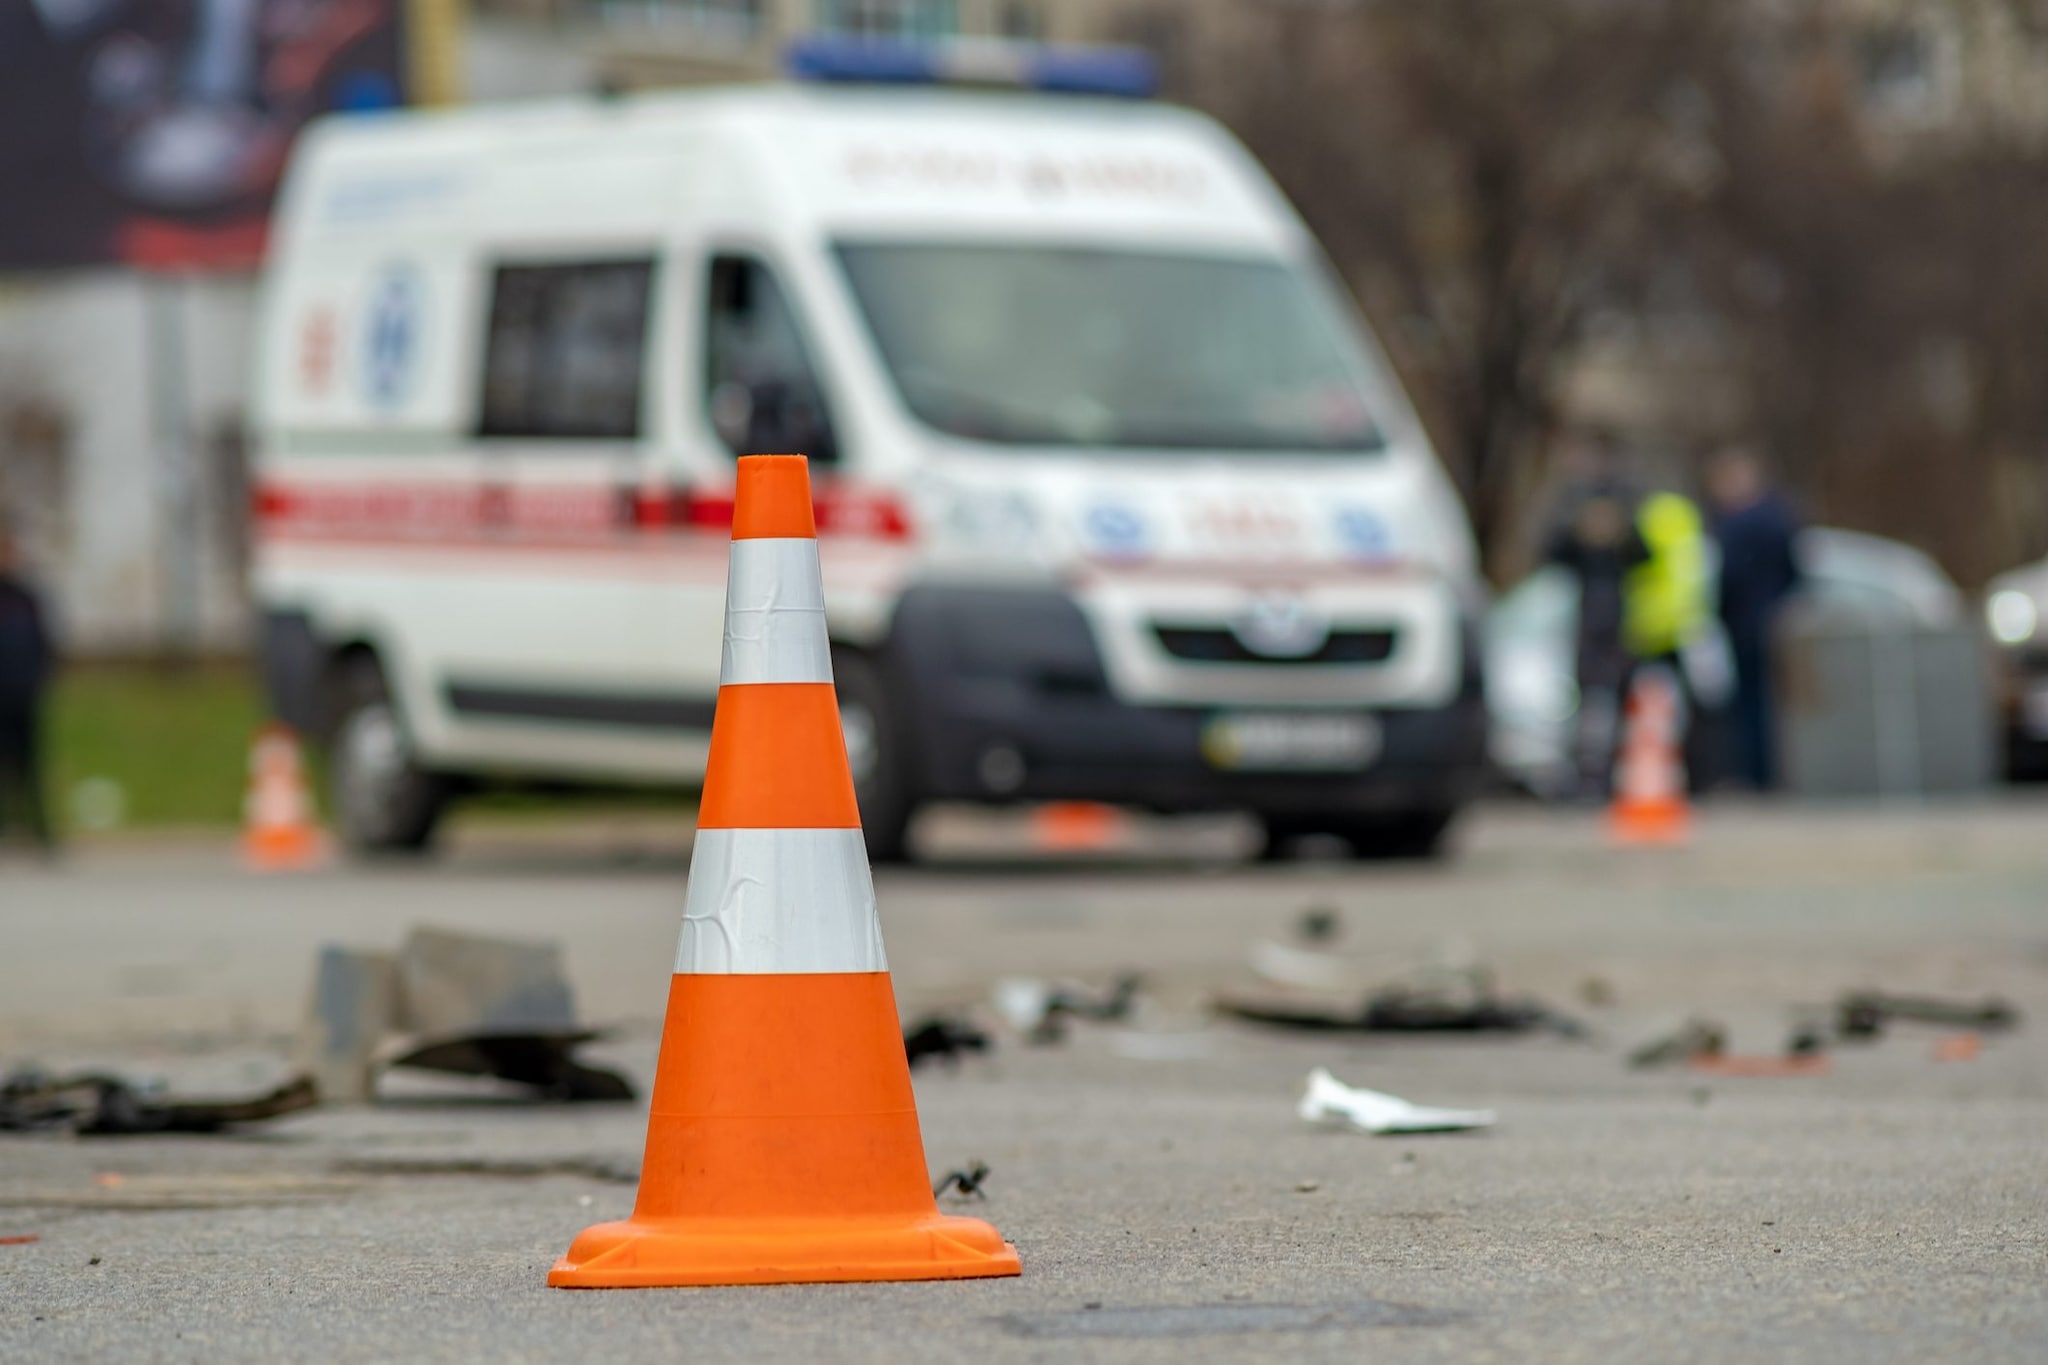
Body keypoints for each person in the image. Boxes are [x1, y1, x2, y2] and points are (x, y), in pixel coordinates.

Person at [1544, 430, 1648, 797]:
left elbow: (1643, 555)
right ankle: (1582, 774)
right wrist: (1577, 531)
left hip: (1619, 611)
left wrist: (1621, 532)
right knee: (1581, 695)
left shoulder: (1627, 498)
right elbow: (1552, 554)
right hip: (1585, 609)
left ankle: (1616, 774)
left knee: (1620, 694)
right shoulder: (1572, 500)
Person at [1707, 446, 1803, 791]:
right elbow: (1796, 571)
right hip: (1774, 620)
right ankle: (1775, 774)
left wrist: (1719, 611)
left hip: (1744, 623)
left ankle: (1753, 774)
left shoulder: (1735, 524)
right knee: (1773, 702)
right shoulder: (1780, 517)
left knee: (1749, 703)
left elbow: (1728, 577)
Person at [1623, 489, 1721, 789]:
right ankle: (1696, 778)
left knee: (1653, 719)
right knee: (1687, 717)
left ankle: (1662, 781)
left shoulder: (1650, 538)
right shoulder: (1694, 543)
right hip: (1688, 636)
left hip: (1654, 639)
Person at [0, 524, 56, 854]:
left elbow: (44, 643)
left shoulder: (26, 598)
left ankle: (39, 831)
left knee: (31, 766)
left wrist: (39, 679)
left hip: (24, 693)